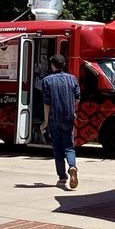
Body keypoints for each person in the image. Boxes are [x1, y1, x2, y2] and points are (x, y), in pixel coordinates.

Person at [36, 54, 80, 190]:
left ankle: (62, 178)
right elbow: (77, 98)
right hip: (68, 117)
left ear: (53, 65)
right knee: (69, 146)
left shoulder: (47, 81)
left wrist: (45, 121)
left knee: (58, 149)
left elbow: (47, 103)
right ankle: (72, 166)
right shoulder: (72, 79)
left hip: (54, 117)